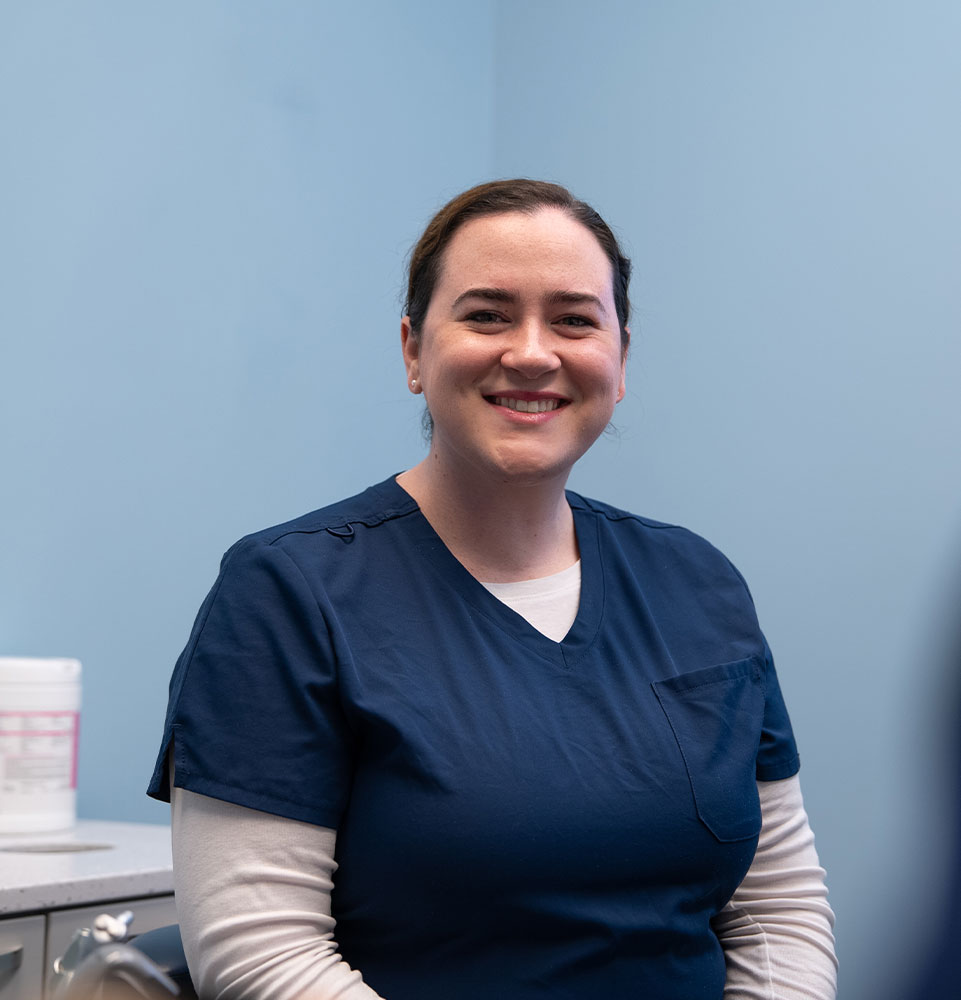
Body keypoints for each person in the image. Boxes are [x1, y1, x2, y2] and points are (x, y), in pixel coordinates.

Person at [148, 179, 838, 999]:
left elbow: (776, 909)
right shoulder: (288, 594)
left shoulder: (697, 583)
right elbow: (261, 954)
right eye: (486, 315)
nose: (533, 353)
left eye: (574, 320)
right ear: (413, 350)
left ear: (619, 359)